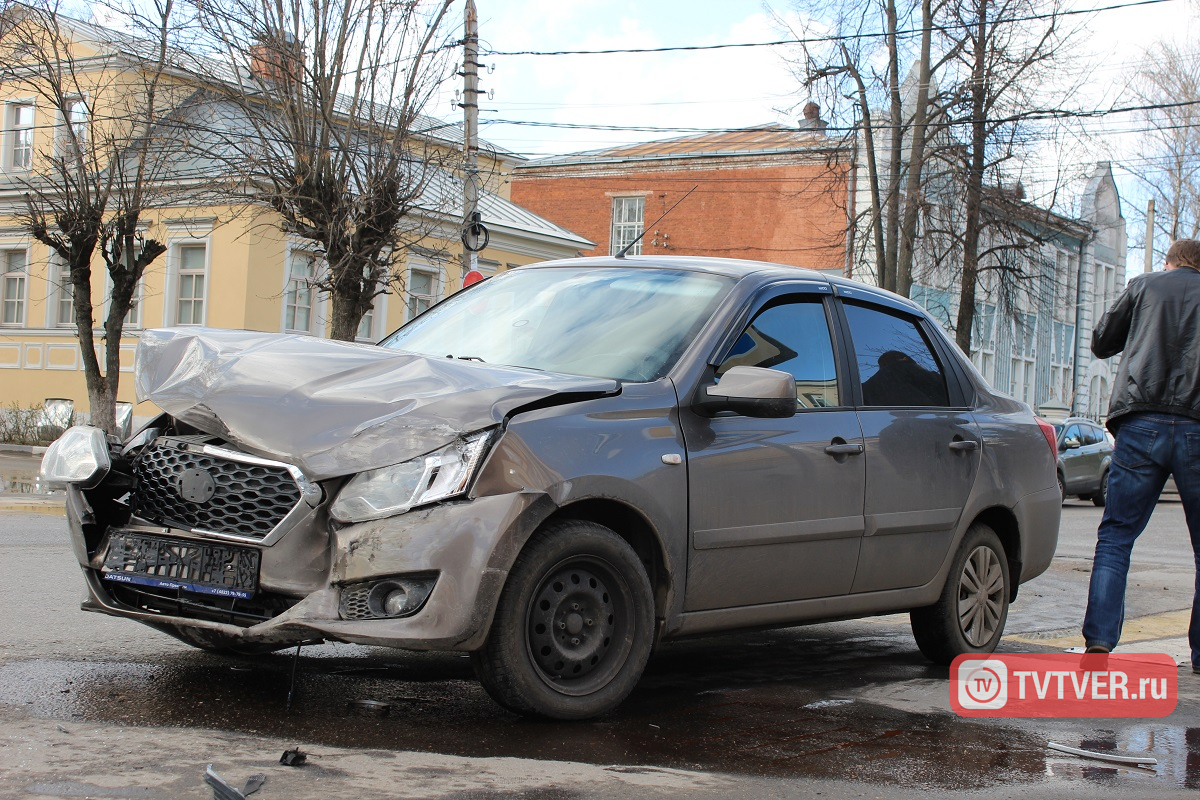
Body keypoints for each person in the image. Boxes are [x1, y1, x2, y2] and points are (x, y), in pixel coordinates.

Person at [1082, 238, 1200, 671]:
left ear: (1169, 262)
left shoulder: (1143, 285)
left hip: (1139, 422)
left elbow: (1100, 342)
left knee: (1116, 536)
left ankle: (1099, 640)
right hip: (1197, 428)